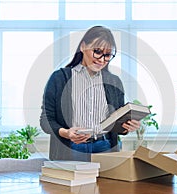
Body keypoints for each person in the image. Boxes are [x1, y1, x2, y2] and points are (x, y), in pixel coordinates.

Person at [40, 25, 140, 161]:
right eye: (97, 51)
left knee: (108, 183)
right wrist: (66, 133)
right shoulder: (59, 78)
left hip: (106, 147)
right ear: (83, 46)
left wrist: (127, 127)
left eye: (108, 55)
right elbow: (46, 119)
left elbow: (116, 123)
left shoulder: (114, 82)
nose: (102, 59)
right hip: (72, 147)